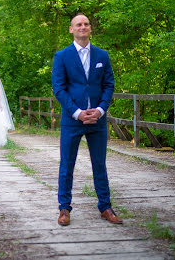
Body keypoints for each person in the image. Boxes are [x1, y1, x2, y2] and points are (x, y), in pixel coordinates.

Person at [51, 13, 122, 226]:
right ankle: (64, 208)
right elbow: (59, 89)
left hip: (97, 120)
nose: (83, 27)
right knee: (67, 164)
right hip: (73, 119)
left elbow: (109, 84)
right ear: (71, 29)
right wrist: (77, 112)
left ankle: (105, 207)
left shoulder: (102, 55)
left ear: (90, 28)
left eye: (86, 24)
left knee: (99, 164)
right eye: (78, 24)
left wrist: (100, 110)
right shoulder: (62, 56)